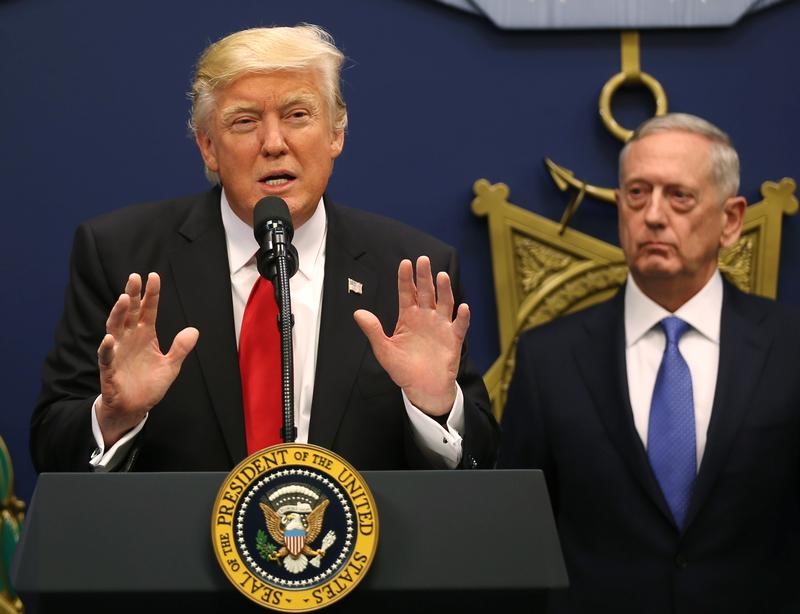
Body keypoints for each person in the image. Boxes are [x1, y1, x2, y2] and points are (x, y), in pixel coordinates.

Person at [31, 24, 498, 474]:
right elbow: (52, 444)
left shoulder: (414, 271)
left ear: (336, 133)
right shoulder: (121, 256)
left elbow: (484, 458)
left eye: (298, 115)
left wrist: (434, 408)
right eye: (245, 122)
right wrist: (116, 418)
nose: (274, 144)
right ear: (208, 148)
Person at [498, 113, 800, 613]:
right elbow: (517, 538)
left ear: (731, 220)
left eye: (679, 196)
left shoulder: (790, 350)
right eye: (637, 194)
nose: (654, 215)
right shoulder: (548, 358)